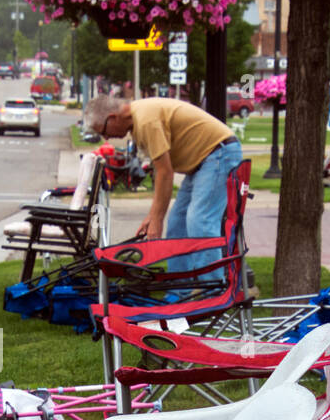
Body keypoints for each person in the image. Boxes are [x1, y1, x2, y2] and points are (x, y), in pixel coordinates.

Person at [85, 94, 242, 281]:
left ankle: (214, 291)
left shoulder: (145, 122)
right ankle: (179, 290)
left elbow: (165, 173)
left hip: (219, 154)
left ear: (112, 118)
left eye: (103, 131)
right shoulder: (138, 120)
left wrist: (157, 220)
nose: (106, 138)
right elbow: (161, 173)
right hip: (202, 162)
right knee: (177, 222)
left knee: (200, 220)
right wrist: (152, 216)